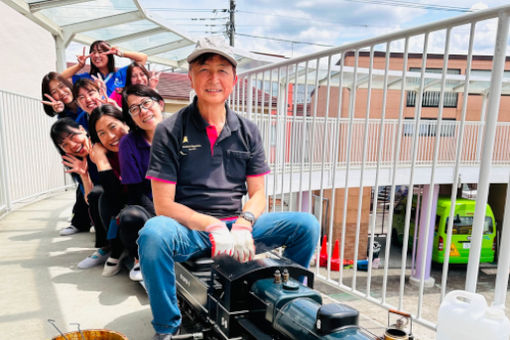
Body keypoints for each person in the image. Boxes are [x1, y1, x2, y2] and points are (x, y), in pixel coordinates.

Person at [138, 36, 320, 340]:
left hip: (236, 224)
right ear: (191, 79)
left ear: (233, 80)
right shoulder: (169, 130)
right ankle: (167, 328)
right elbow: (164, 205)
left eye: (222, 70)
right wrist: (211, 225)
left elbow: (258, 193)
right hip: (191, 229)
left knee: (306, 224)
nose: (213, 78)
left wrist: (244, 224)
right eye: (204, 70)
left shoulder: (248, 130)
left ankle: (290, 303)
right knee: (152, 234)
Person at [117, 84, 164, 281]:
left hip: (185, 205)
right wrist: (162, 219)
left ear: (160, 104)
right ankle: (140, 259)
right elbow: (136, 192)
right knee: (130, 216)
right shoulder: (129, 143)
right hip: (150, 205)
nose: (143, 111)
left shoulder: (184, 134)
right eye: (134, 108)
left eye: (146, 103)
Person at [50, 118, 110, 267]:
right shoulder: (77, 162)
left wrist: (99, 161)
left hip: (126, 195)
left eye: (72, 137)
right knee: (96, 195)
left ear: (83, 130)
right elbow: (89, 200)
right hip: (108, 203)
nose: (72, 145)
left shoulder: (104, 145)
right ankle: (106, 248)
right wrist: (84, 174)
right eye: (64, 144)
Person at [88, 104, 130, 276]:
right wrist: (101, 161)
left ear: (125, 122)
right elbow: (111, 192)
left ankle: (126, 251)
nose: (111, 136)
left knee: (109, 198)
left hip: (147, 204)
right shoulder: (106, 154)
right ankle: (112, 247)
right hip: (123, 203)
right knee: (100, 195)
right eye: (102, 133)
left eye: (113, 127)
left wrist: (102, 162)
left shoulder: (140, 145)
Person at [61, 40, 147, 96]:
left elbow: (143, 58)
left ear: (109, 55)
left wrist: (119, 53)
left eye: (100, 52)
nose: (96, 55)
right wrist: (79, 66)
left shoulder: (121, 74)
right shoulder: (86, 78)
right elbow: (61, 78)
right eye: (93, 53)